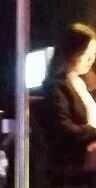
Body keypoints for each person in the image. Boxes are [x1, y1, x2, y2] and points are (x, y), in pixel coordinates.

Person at [40, 23, 96, 172]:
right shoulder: (55, 86)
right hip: (74, 160)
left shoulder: (82, 83)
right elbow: (64, 130)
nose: (91, 59)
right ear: (72, 52)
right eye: (87, 54)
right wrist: (93, 132)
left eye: (94, 54)